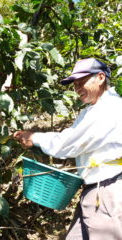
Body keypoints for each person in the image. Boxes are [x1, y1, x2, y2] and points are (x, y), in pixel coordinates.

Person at [13, 58, 122, 239]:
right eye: (74, 84)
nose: (77, 88)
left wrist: (35, 138)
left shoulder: (109, 108)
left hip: (106, 191)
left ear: (101, 77)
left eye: (82, 82)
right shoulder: (92, 110)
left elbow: (70, 143)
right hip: (93, 191)